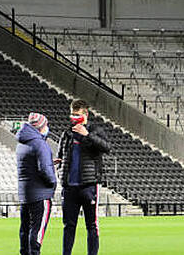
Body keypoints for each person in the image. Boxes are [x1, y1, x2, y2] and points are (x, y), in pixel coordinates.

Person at [58, 99, 111, 255]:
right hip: (69, 187)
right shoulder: (67, 133)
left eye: (77, 114)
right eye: (72, 114)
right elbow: (61, 154)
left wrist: (87, 135)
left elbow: (106, 147)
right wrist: (60, 162)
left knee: (92, 225)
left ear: (85, 114)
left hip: (88, 186)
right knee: (68, 225)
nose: (74, 117)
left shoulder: (95, 130)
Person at [17, 113, 56, 255]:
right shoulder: (40, 144)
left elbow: (31, 166)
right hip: (40, 194)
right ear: (40, 127)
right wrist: (53, 182)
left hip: (25, 194)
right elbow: (44, 170)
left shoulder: (22, 144)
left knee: (25, 228)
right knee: (37, 230)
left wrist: (50, 162)